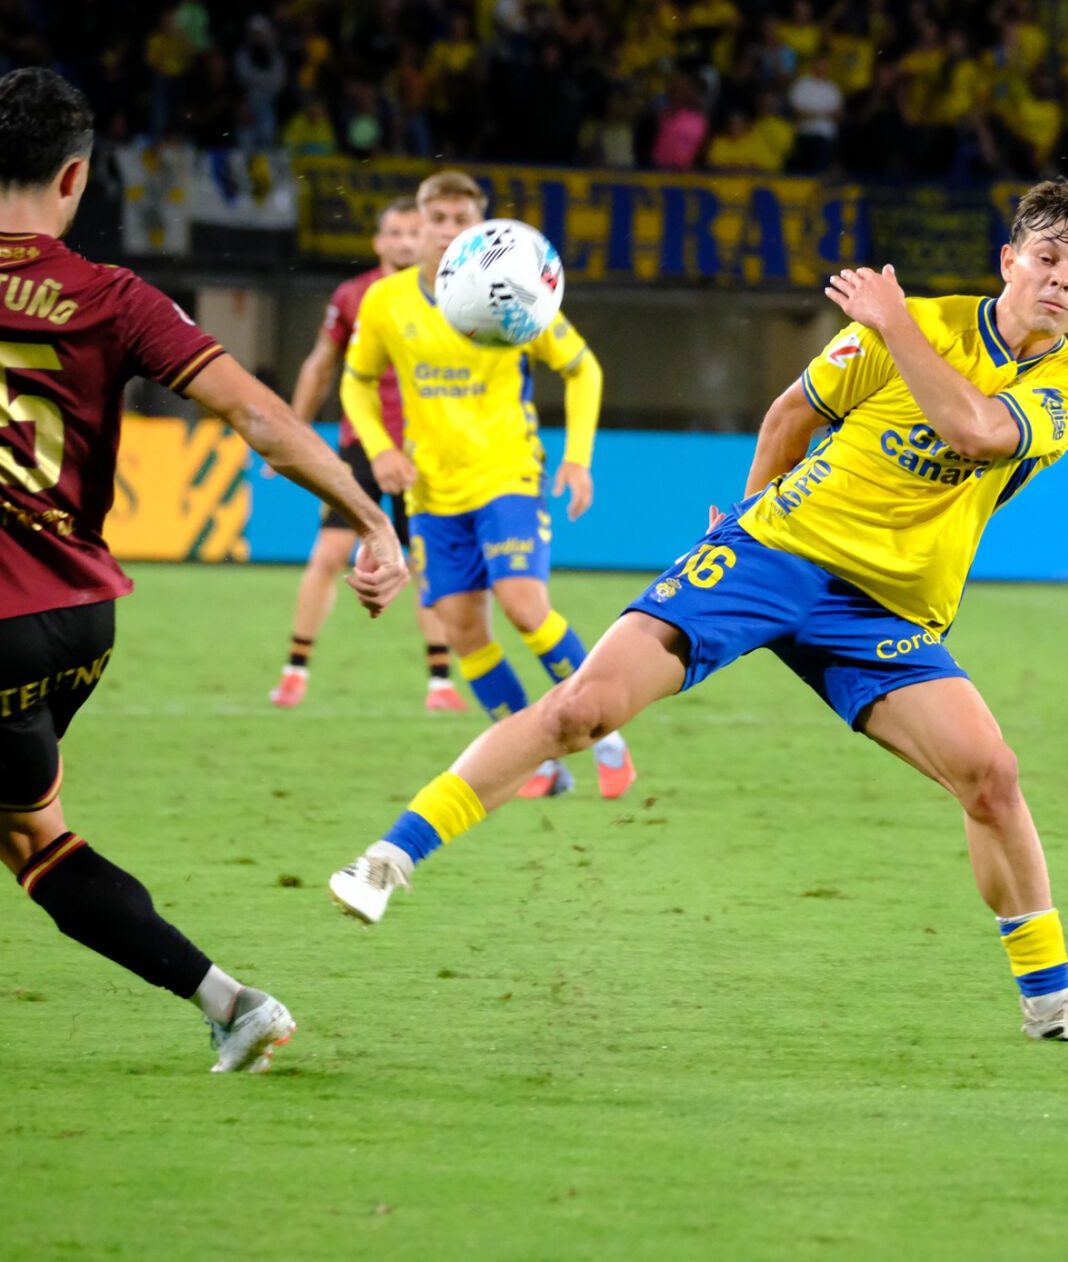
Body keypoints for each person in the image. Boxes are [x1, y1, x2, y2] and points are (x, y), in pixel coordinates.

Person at [327, 177, 1068, 1048]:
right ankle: (389, 858)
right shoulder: (920, 322)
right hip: (774, 554)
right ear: (1009, 263)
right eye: (1046, 259)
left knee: (990, 776)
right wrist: (748, 521)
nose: (1059, 280)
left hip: (884, 605)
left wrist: (894, 323)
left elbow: (979, 433)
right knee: (583, 708)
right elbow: (790, 414)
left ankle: (1052, 1007)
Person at [0, 67, 408, 1072]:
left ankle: (233, 1003)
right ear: (75, 176)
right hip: (76, 623)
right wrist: (369, 516)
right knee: (28, 838)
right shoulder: (115, 295)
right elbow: (260, 418)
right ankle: (231, 1002)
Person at [338, 170, 635, 800]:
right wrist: (381, 447)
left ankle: (605, 733)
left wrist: (578, 459)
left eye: (459, 220)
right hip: (431, 494)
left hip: (508, 476)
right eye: (436, 220)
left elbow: (583, 370)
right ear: (418, 227)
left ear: (479, 227)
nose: (447, 231)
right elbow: (356, 382)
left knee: (525, 605)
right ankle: (541, 764)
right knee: (464, 632)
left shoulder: (513, 293)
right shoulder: (385, 302)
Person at [269, 197, 466, 713]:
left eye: (412, 232)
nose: (404, 241)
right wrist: (289, 431)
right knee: (330, 553)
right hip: (363, 444)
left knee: (426, 563)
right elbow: (321, 364)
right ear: (378, 242)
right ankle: (294, 671)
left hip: (427, 448)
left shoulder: (453, 293)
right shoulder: (355, 295)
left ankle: (441, 683)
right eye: (395, 233)